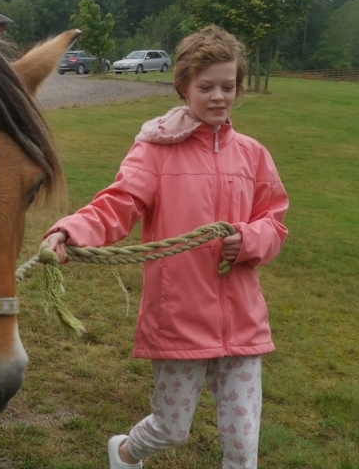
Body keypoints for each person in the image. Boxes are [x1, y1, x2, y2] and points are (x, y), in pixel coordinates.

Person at [45, 25, 289, 469]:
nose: (219, 97)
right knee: (171, 427)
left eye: (228, 86)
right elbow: (117, 204)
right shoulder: (155, 151)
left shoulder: (253, 155)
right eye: (206, 87)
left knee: (243, 442)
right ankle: (124, 453)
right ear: (183, 87)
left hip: (243, 323)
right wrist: (71, 230)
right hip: (179, 318)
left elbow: (274, 221)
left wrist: (248, 240)